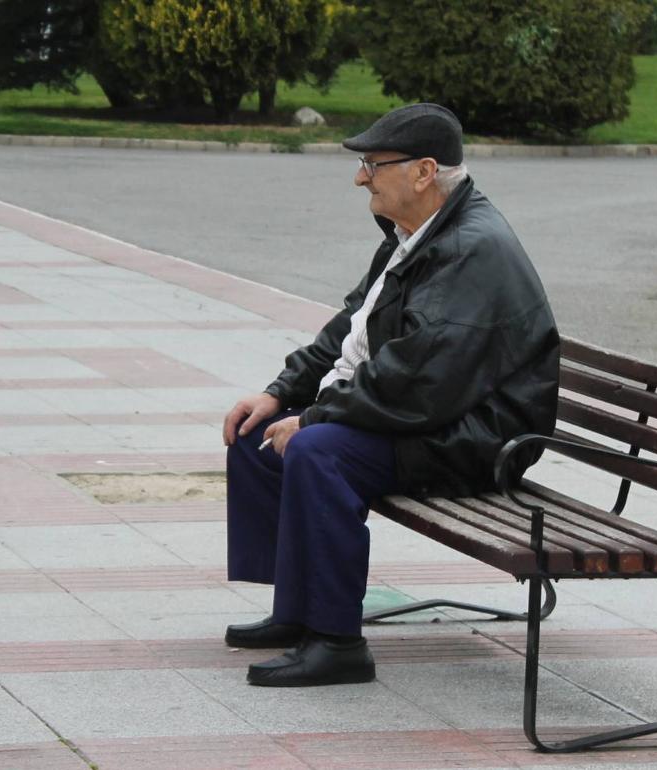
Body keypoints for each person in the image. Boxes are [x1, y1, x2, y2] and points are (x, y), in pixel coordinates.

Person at [221, 103, 560, 687]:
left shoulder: (468, 249)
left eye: (373, 165)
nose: (361, 178)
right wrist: (281, 396)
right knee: (254, 434)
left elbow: (418, 381)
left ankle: (337, 641)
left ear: (424, 172)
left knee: (318, 450)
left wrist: (316, 418)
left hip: (476, 438)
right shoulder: (417, 234)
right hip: (435, 415)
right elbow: (351, 327)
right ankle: (297, 610)